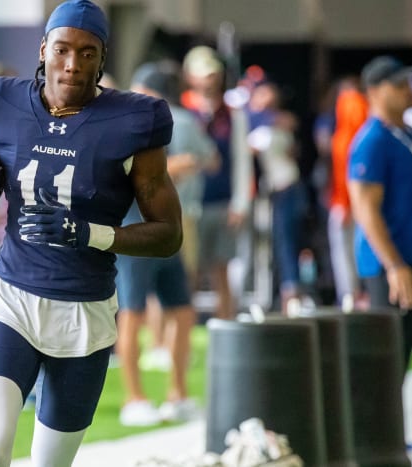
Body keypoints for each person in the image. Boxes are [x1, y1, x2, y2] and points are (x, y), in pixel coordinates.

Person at [0, 1, 182, 465]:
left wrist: (91, 234)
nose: (72, 63)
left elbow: (168, 234)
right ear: (43, 49)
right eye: (63, 49)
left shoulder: (134, 121)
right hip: (12, 299)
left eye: (88, 53)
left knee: (50, 462)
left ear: (102, 59)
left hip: (84, 312)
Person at [348, 55, 412, 448]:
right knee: (391, 356)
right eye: (398, 84)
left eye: (409, 83)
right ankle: (382, 437)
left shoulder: (409, 134)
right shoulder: (371, 141)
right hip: (393, 266)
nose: (409, 91)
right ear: (375, 90)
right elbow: (364, 207)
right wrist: (394, 265)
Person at [115, 61, 215, 427]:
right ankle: (134, 397)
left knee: (183, 311)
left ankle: (177, 393)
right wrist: (174, 167)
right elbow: (122, 173)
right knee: (132, 313)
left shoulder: (169, 122)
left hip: (166, 228)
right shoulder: (124, 125)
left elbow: (203, 160)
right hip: (134, 229)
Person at [181, 45, 253, 319]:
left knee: (221, 270)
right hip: (189, 204)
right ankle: (184, 328)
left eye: (213, 75)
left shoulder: (232, 114)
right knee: (190, 273)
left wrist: (240, 203)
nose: (209, 81)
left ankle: (226, 325)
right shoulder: (183, 112)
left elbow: (240, 161)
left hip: (221, 202)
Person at [246, 80, 308, 312]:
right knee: (280, 244)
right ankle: (286, 293)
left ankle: (291, 293)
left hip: (286, 189)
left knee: (286, 243)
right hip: (280, 189)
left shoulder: (271, 128)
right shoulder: (268, 125)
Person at [328, 77, 368, 306]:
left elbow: (346, 173)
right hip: (353, 202)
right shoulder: (359, 134)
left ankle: (352, 297)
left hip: (350, 203)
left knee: (346, 253)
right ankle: (354, 295)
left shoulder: (349, 138)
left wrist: (344, 203)